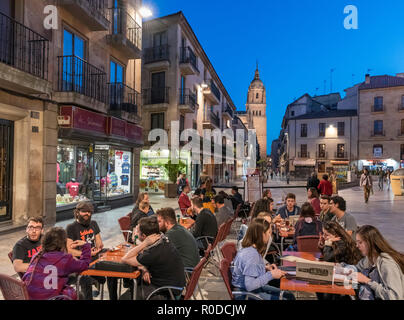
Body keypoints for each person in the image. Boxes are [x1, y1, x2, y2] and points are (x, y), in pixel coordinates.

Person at [122, 216, 186, 300]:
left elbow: (125, 259)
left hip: (166, 291)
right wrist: (144, 268)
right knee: (136, 282)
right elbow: (149, 259)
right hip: (176, 285)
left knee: (124, 298)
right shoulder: (163, 239)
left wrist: (144, 244)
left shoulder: (152, 252)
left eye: (137, 232)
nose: (136, 234)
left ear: (144, 236)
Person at [231, 219, 295, 300]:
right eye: (268, 232)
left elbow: (248, 269)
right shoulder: (252, 255)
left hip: (249, 290)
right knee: (287, 298)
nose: (270, 235)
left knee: (289, 296)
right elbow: (250, 285)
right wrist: (271, 275)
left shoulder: (249, 249)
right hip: (246, 294)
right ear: (261, 234)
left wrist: (264, 268)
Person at [22, 227, 91, 300]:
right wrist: (85, 246)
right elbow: (84, 265)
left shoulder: (36, 255)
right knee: (79, 295)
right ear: (62, 243)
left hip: (30, 296)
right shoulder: (64, 259)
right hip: (50, 298)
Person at [66, 201, 105, 300]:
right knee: (86, 278)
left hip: (95, 257)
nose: (87, 214)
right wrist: (87, 253)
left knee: (111, 268)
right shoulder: (71, 227)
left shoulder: (94, 223)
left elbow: (99, 241)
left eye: (89, 212)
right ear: (77, 212)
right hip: (80, 260)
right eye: (84, 212)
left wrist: (99, 247)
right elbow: (69, 250)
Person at [354, 225, 404, 300]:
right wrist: (340, 267)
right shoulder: (370, 258)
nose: (357, 246)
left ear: (370, 243)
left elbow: (395, 296)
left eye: (360, 242)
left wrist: (367, 281)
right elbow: (356, 268)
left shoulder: (386, 263)